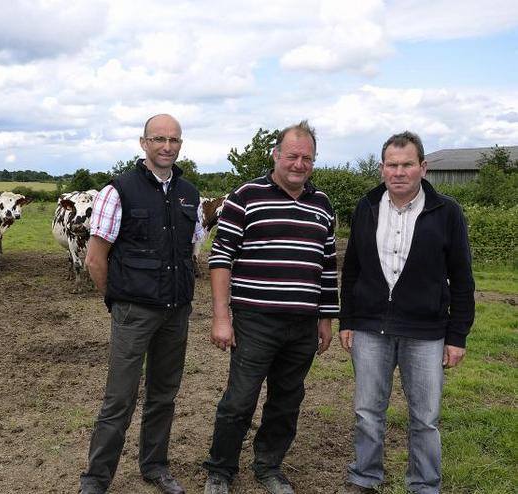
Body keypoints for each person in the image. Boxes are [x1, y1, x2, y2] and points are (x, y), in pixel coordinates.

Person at [203, 120, 339, 494]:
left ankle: (268, 467)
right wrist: (221, 317)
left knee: (287, 399)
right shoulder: (246, 196)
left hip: (303, 323)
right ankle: (220, 470)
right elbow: (220, 257)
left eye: (307, 158)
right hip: (255, 319)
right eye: (292, 155)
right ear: (276, 155)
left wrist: (326, 318)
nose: (299, 164)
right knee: (240, 399)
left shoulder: (323, 204)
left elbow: (327, 266)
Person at [338, 131, 475, 494]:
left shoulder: (447, 212)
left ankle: (425, 485)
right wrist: (348, 320)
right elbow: (351, 269)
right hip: (370, 329)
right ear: (382, 169)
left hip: (426, 332)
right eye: (392, 165)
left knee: (425, 418)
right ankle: (365, 478)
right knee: (368, 411)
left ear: (422, 167)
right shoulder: (365, 208)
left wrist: (457, 336)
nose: (399, 172)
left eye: (407, 165)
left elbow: (462, 278)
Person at [79, 114, 205, 494]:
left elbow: (193, 248)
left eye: (174, 140)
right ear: (143, 143)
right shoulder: (117, 191)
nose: (167, 146)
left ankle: (155, 466)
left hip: (176, 312)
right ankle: (96, 479)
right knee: (119, 398)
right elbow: (95, 258)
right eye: (159, 139)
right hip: (133, 311)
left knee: (164, 394)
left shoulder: (190, 193)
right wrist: (116, 301)